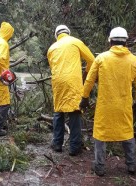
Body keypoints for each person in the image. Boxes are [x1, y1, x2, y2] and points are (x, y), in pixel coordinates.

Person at [80, 27, 136, 176]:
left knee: (101, 135)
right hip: (124, 106)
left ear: (110, 41)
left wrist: (84, 97)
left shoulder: (101, 58)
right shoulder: (135, 61)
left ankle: (100, 167)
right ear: (126, 41)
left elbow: (89, 80)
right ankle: (132, 165)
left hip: (105, 106)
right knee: (127, 133)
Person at [47, 25, 95, 156]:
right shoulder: (75, 41)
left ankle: (57, 144)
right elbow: (92, 60)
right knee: (74, 110)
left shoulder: (51, 48)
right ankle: (74, 147)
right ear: (68, 33)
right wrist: (86, 73)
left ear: (57, 35)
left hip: (57, 81)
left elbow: (53, 66)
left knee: (59, 110)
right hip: (73, 81)